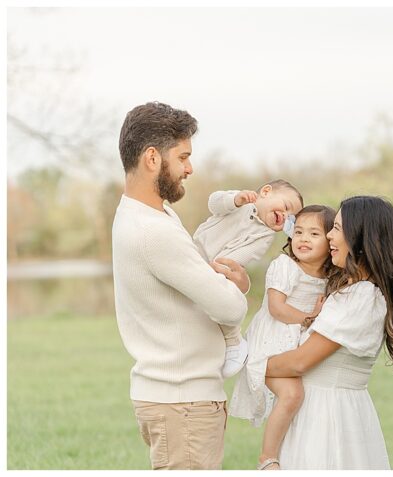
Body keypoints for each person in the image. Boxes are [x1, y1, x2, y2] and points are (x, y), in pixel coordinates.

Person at [112, 102, 250, 469]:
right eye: (183, 157)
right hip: (181, 402)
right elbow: (229, 307)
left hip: (177, 398)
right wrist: (237, 285)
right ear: (152, 158)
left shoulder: (149, 214)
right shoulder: (152, 231)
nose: (190, 168)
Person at [263, 196, 393, 470]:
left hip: (327, 419)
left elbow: (299, 362)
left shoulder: (361, 297)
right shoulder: (350, 291)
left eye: (338, 228)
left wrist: (254, 362)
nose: (330, 235)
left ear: (361, 238)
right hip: (323, 412)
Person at [228, 205, 339, 470]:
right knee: (292, 395)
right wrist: (309, 318)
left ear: (330, 241)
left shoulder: (329, 276)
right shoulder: (285, 266)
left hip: (296, 342)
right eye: (298, 231)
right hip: (271, 341)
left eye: (314, 233)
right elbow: (276, 308)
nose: (303, 238)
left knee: (307, 397)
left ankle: (299, 453)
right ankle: (267, 458)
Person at [192, 181, 305, 376]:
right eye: (286, 207)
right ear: (266, 192)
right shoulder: (242, 202)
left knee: (227, 299)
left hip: (218, 267)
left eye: (291, 218)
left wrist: (222, 269)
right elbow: (214, 203)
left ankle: (233, 342)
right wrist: (235, 200)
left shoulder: (266, 235)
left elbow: (246, 255)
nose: (286, 216)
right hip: (197, 250)